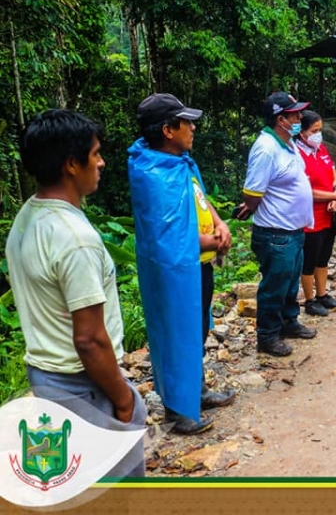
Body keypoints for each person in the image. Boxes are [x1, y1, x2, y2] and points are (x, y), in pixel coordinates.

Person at [7, 110, 146, 477]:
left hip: (47, 376)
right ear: (72, 164)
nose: (101, 162)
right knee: (115, 487)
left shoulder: (28, 216)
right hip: (83, 383)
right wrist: (122, 399)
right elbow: (88, 339)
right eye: (96, 153)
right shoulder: (74, 239)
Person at [128, 93, 235, 435]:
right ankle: (177, 412)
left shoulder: (181, 163)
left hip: (196, 266)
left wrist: (220, 224)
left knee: (197, 330)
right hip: (172, 272)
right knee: (176, 333)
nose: (192, 127)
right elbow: (164, 237)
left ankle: (196, 392)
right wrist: (212, 240)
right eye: (186, 122)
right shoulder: (152, 173)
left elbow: (198, 198)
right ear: (167, 130)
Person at [236, 92, 317, 357]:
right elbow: (252, 193)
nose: (299, 118)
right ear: (280, 119)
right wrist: (254, 206)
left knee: (290, 281)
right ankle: (268, 336)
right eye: (294, 115)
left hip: (292, 230)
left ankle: (288, 322)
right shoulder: (266, 148)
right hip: (275, 232)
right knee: (275, 285)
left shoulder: (288, 143)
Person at [295, 110, 336, 316]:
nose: (318, 134)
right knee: (309, 259)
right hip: (310, 217)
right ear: (302, 133)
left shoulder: (321, 149)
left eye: (320, 130)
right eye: (314, 131)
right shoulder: (297, 155)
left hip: (328, 214)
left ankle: (322, 294)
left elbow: (335, 176)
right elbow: (306, 190)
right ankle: (309, 299)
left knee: (323, 257)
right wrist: (333, 198)